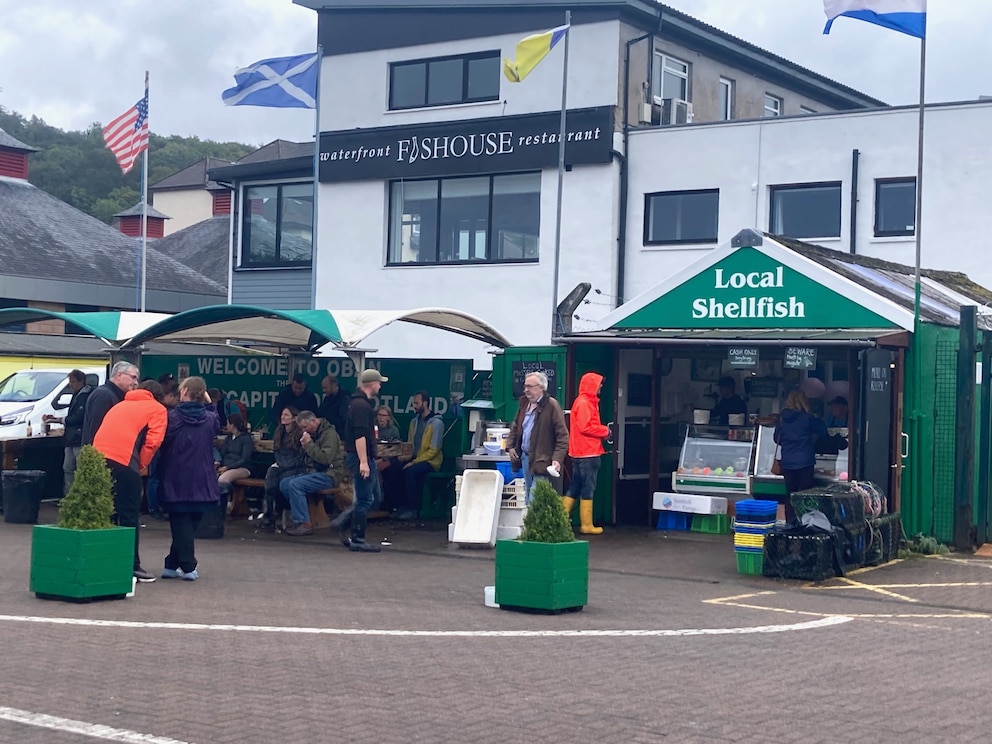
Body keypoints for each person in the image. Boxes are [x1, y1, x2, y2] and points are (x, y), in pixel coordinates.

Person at [92, 379, 167, 583]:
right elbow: (153, 442)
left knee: (107, 512)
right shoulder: (157, 409)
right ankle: (131, 566)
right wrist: (141, 466)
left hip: (98, 459)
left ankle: (103, 561)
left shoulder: (119, 405)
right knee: (129, 516)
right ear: (157, 396)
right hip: (124, 461)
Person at [156, 376, 222, 581]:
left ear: (184, 393)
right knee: (190, 522)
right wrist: (210, 404)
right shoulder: (210, 419)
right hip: (203, 479)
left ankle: (184, 564)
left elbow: (161, 443)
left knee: (180, 522)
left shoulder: (171, 418)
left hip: (175, 478)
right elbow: (217, 423)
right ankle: (178, 564)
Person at [334, 368, 387, 552]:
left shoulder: (357, 404)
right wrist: (364, 461)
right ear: (371, 384)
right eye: (379, 382)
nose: (380, 385)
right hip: (360, 457)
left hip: (358, 456)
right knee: (365, 499)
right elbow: (360, 436)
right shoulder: (361, 406)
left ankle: (345, 522)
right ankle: (356, 537)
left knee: (371, 497)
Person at [279, 409, 344, 536]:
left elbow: (326, 459)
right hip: (313, 471)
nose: (305, 430)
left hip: (330, 473)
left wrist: (308, 445)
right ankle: (298, 513)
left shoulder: (329, 434)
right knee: (285, 483)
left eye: (305, 426)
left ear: (314, 421)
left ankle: (304, 523)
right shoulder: (313, 433)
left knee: (295, 484)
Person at [506, 371, 568, 504]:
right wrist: (510, 447)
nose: (526, 390)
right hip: (525, 458)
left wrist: (557, 460)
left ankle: (532, 524)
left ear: (541, 388)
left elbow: (563, 436)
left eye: (530, 387)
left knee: (535, 499)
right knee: (529, 496)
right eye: (525, 386)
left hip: (543, 460)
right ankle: (532, 524)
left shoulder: (552, 405)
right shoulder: (524, 404)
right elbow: (516, 426)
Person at [564, 372, 611, 535]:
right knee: (587, 487)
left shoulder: (583, 402)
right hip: (587, 453)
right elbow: (585, 427)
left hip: (579, 452)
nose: (601, 386)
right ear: (592, 385)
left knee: (575, 486)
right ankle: (586, 524)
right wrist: (605, 430)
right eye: (599, 383)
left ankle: (561, 519)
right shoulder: (585, 403)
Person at [774, 389, 829, 522]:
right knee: (804, 494)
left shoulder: (782, 419)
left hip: (787, 463)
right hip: (805, 462)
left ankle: (790, 522)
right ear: (804, 401)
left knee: (790, 495)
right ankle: (804, 522)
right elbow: (823, 431)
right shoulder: (807, 418)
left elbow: (776, 439)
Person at [392, 390, 443, 521]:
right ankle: (399, 506)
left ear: (425, 403)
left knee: (410, 472)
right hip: (414, 458)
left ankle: (413, 509)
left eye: (416, 403)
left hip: (430, 462)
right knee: (395, 468)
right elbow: (410, 445)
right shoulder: (414, 422)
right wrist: (404, 457)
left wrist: (414, 462)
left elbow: (434, 451)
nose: (414, 406)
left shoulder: (437, 423)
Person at [42, 369, 93, 495]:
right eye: (70, 382)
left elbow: (79, 417)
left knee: (78, 468)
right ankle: (69, 494)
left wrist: (60, 420)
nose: (71, 385)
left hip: (78, 437)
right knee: (68, 467)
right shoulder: (77, 394)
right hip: (71, 438)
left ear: (81, 381)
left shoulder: (84, 396)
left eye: (73, 382)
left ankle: (78, 495)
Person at [259, 406, 306, 529]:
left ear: (294, 418)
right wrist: (281, 464)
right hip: (281, 463)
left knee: (282, 482)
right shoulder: (279, 431)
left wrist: (287, 465)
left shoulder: (300, 433)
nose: (283, 417)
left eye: (286, 415)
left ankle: (278, 511)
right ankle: (267, 515)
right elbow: (277, 451)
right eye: (282, 414)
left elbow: (301, 455)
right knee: (270, 482)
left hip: (296, 466)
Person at [146, 378, 180, 521]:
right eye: (177, 399)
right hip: (156, 447)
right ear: (171, 396)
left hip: (157, 447)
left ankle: (155, 506)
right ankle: (154, 508)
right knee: (154, 479)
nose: (178, 403)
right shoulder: (162, 410)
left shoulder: (161, 408)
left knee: (156, 478)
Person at [82, 361, 139, 445]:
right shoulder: (104, 395)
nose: (136, 382)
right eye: (133, 377)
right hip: (101, 453)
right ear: (119, 375)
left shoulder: (111, 394)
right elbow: (96, 429)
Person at [216, 413, 255, 514]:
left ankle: (225, 504)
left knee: (222, 479)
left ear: (233, 425)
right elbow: (223, 453)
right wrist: (218, 462)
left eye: (228, 424)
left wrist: (228, 467)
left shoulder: (246, 439)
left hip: (242, 468)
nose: (226, 426)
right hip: (226, 467)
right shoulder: (229, 438)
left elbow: (245, 459)